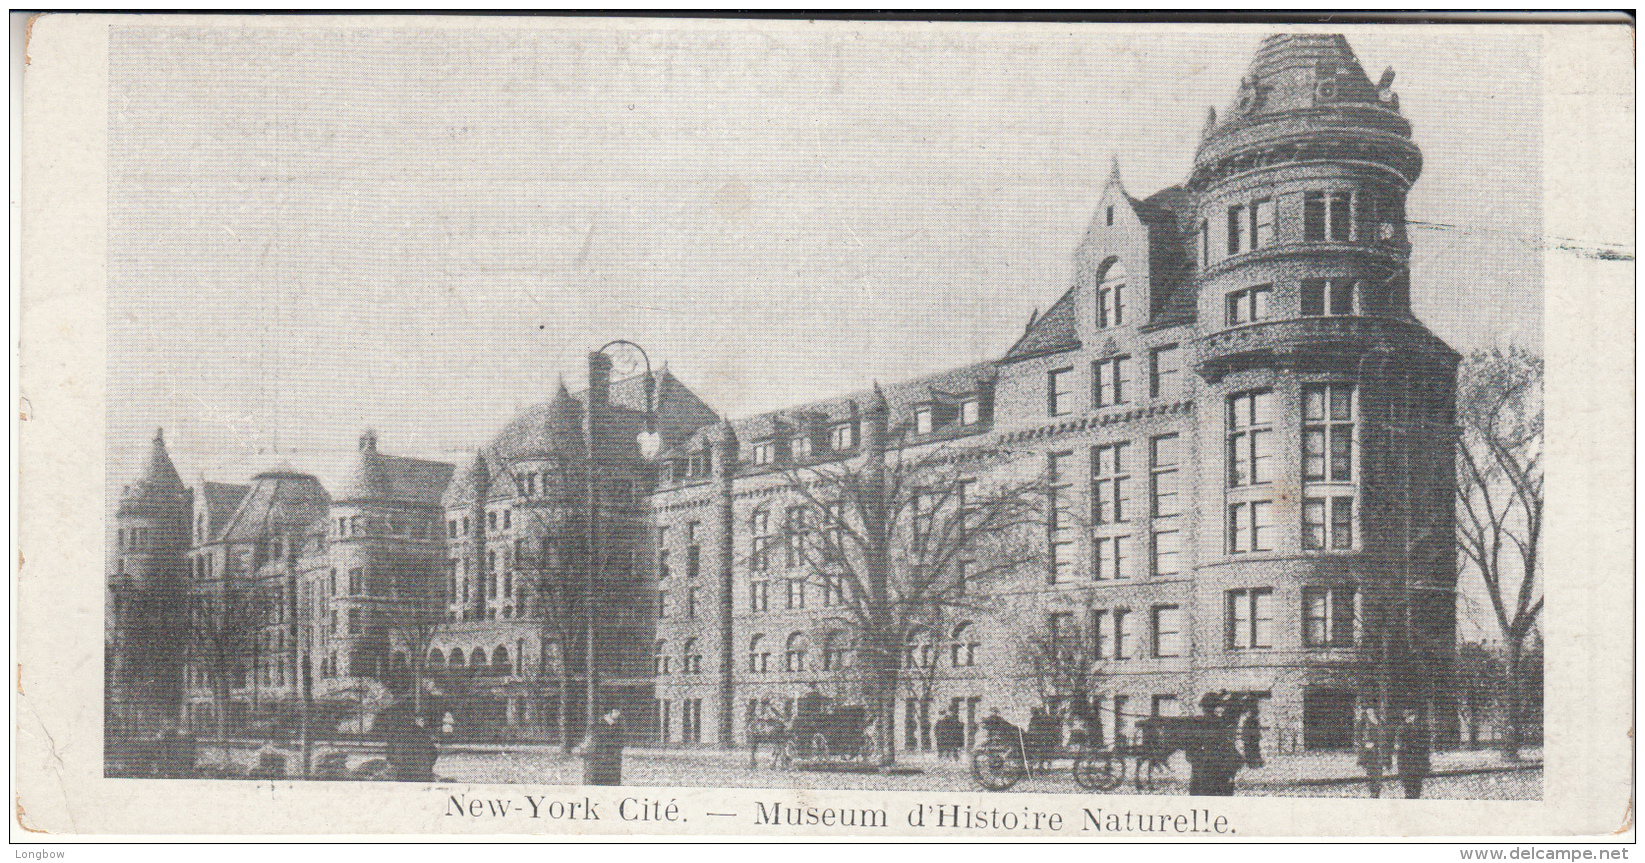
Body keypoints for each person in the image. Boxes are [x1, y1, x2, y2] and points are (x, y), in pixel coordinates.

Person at [1396, 708, 1432, 799]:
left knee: (1417, 788)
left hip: (1417, 764)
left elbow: (1425, 744)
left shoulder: (1419, 727)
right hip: (1407, 764)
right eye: (1409, 717)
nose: (1411, 718)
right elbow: (1400, 746)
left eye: (1412, 716)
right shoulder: (1402, 729)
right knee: (1409, 789)